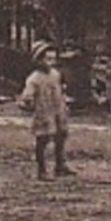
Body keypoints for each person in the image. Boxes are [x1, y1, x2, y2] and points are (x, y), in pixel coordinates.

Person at [19, 41, 72, 179]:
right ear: (38, 60)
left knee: (61, 136)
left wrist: (64, 101)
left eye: (53, 59)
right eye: (47, 59)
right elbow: (27, 95)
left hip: (58, 109)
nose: (50, 62)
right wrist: (27, 102)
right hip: (44, 111)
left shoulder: (55, 74)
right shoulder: (34, 78)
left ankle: (60, 165)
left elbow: (60, 89)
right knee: (43, 139)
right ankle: (41, 169)